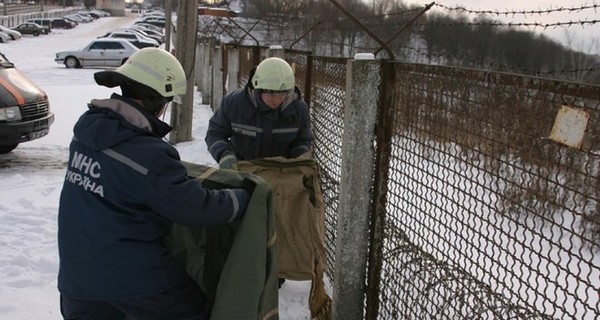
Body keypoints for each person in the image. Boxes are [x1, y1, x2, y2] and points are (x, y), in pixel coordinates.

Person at [57, 48, 250, 320]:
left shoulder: (86, 133)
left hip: (77, 278)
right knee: (194, 311)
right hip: (134, 277)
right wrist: (241, 199)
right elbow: (192, 207)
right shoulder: (148, 153)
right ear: (160, 101)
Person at [205, 57, 313, 170]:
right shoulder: (233, 103)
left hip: (281, 173)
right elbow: (215, 133)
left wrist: (301, 157)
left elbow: (302, 140)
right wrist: (224, 154)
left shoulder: (299, 110)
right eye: (271, 94)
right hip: (242, 170)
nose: (276, 100)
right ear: (258, 88)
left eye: (282, 94)